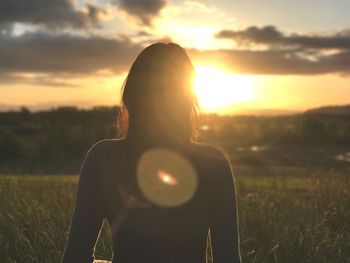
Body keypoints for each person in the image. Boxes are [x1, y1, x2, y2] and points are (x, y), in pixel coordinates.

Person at [62, 43, 241, 263]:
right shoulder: (213, 162)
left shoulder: (102, 157)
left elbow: (75, 256)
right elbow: (228, 257)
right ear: (187, 101)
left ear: (130, 98)